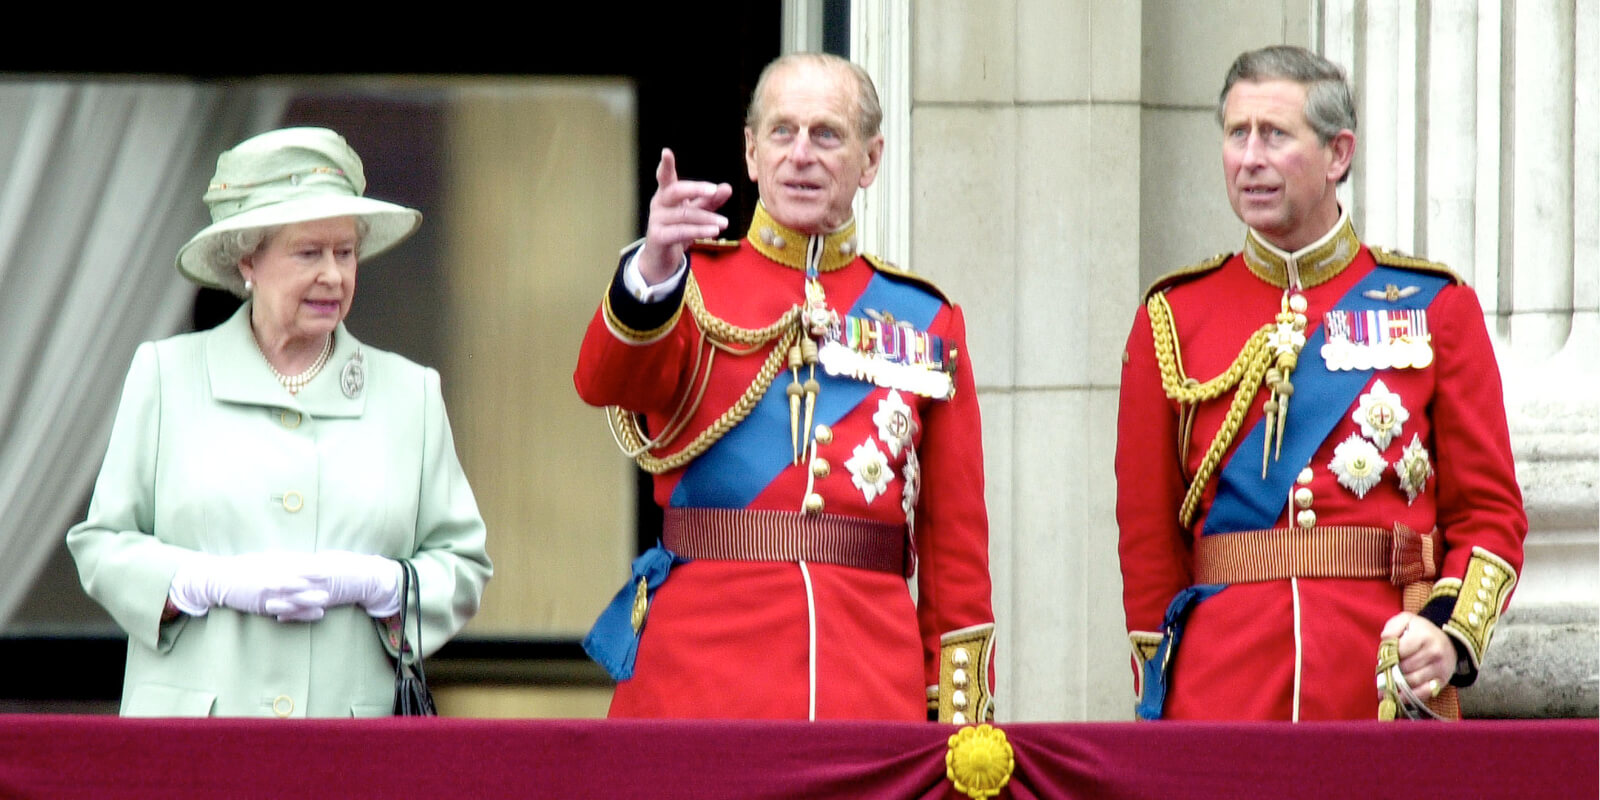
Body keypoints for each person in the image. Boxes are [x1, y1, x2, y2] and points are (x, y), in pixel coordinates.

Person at [574, 52, 995, 722]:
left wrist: (961, 724)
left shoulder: (924, 319)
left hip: (866, 687)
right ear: (750, 152)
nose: (801, 154)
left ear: (871, 158)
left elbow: (956, 558)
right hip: (696, 685)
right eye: (782, 132)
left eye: (827, 134)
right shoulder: (687, 286)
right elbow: (605, 381)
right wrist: (650, 268)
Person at [1115, 45, 1527, 721]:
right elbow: (1149, 540)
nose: (1250, 158)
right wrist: (1166, 682)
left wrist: (1450, 634)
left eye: (1275, 135)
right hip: (1222, 692)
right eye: (1236, 134)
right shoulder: (1173, 318)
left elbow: (1489, 514)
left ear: (1338, 154)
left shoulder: (1435, 308)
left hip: (1383, 682)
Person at [67, 127, 493, 717]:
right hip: (193, 745)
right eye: (308, 252)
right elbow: (101, 546)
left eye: (345, 253)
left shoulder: (409, 393)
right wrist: (198, 582)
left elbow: (462, 562)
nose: (334, 276)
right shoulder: (166, 376)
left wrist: (386, 585)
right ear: (248, 259)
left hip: (349, 746)